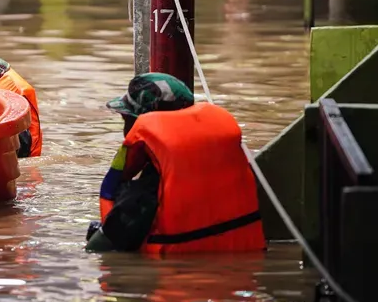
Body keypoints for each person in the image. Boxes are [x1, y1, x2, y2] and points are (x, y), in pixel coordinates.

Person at [86, 73, 266, 255]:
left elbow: (104, 245)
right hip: (243, 260)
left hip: (175, 274)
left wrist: (98, 235)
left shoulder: (144, 191)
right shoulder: (226, 161)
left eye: (126, 119)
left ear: (142, 122)